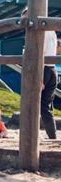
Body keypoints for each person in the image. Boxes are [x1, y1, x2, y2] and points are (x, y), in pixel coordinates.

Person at [22, 8, 57, 139]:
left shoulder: (38, 29)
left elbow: (39, 52)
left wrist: (40, 77)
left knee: (33, 104)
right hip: (52, 69)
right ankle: (52, 136)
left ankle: (30, 136)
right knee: (46, 107)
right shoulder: (50, 28)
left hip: (43, 69)